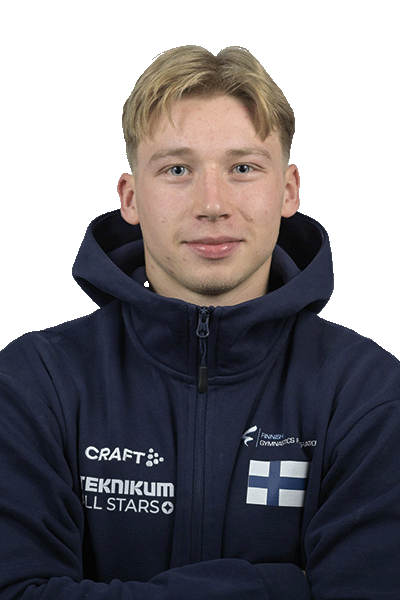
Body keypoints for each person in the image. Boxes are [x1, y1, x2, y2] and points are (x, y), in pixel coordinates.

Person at [0, 45, 399, 600]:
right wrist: (276, 588)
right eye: (177, 169)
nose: (212, 204)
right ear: (130, 197)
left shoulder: (367, 396)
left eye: (243, 168)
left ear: (288, 190)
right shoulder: (33, 385)